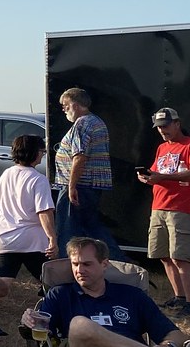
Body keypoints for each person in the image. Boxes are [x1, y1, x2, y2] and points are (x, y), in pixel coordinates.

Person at [28, 237, 185, 347]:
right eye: (75, 264)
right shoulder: (60, 294)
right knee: (79, 325)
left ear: (104, 264)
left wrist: (167, 345)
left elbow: (176, 335)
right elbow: (41, 327)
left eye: (87, 264)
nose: (79, 270)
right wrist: (29, 320)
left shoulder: (132, 295)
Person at [137, 107, 190, 322]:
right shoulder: (162, 148)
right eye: (159, 127)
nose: (162, 130)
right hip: (159, 206)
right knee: (165, 256)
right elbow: (157, 173)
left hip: (181, 208)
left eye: (166, 126)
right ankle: (179, 297)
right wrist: (148, 178)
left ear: (177, 123)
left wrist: (162, 178)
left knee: (181, 257)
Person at [0, 135, 55, 314]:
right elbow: (44, 212)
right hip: (32, 240)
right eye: (42, 151)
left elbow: (0, 203)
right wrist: (52, 238)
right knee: (52, 282)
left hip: (4, 238)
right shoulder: (39, 179)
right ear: (34, 153)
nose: (42, 155)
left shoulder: (6, 174)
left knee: (0, 284)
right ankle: (54, 316)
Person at [54, 88, 123, 259]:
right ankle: (116, 261)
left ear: (75, 105)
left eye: (65, 105)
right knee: (92, 230)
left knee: (68, 232)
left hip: (79, 186)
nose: (63, 110)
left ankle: (67, 269)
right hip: (90, 187)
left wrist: (71, 186)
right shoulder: (96, 121)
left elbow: (79, 156)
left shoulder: (82, 123)